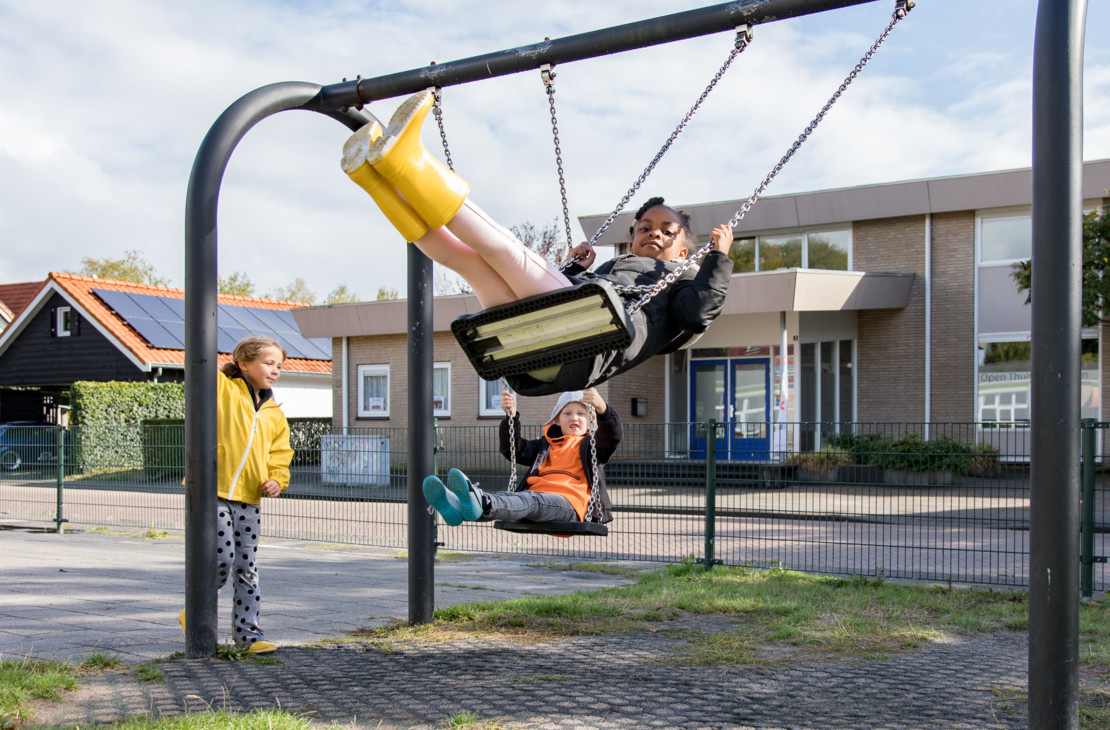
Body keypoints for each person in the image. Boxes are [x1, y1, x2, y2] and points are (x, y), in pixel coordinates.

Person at [341, 89, 735, 396]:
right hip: (538, 350)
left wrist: (717, 259)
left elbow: (698, 313)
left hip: (582, 346)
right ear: (632, 238)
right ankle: (376, 180)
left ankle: (407, 163)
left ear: (684, 251)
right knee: (470, 261)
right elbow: (559, 292)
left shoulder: (683, 280)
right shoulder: (611, 271)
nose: (655, 234)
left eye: (668, 230)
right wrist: (574, 270)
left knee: (504, 250)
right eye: (645, 227)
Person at [178, 335, 294, 655]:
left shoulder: (274, 413)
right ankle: (196, 614)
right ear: (243, 364)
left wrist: (277, 480)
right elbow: (197, 365)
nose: (275, 370)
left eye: (279, 365)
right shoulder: (223, 390)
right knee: (221, 559)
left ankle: (249, 637)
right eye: (268, 363)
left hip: (249, 499)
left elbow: (279, 454)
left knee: (247, 568)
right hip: (212, 494)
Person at [422, 388, 622, 526]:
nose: (574, 418)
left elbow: (612, 436)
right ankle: (456, 506)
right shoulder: (545, 446)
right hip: (533, 500)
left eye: (581, 413)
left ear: (591, 419)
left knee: (529, 500)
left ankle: (481, 500)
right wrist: (511, 417)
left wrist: (602, 408)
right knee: (512, 498)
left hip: (571, 504)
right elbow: (514, 450)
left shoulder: (592, 446)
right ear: (557, 420)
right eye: (567, 413)